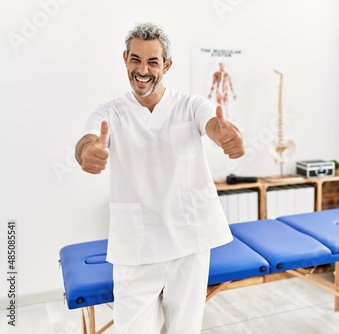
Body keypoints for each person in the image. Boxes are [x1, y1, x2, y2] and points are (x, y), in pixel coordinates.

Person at [74, 22, 244, 334]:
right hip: (137, 246)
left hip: (188, 241)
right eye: (135, 59)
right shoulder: (110, 113)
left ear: (166, 65)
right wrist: (87, 152)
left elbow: (215, 127)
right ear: (125, 59)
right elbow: (87, 141)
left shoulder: (191, 105)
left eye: (152, 62)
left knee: (184, 329)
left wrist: (228, 136)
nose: (143, 70)